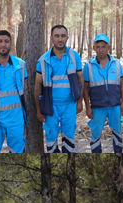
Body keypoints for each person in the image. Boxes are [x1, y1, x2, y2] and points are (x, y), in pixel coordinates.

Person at [35, 25, 84, 153]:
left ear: (67, 38)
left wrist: (80, 102)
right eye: (57, 36)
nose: (60, 39)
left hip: (70, 105)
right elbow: (37, 85)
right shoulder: (43, 60)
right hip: (50, 107)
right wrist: (39, 110)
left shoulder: (74, 56)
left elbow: (80, 79)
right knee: (51, 139)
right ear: (51, 38)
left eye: (63, 36)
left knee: (69, 139)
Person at [82, 34, 123, 153]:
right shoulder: (88, 66)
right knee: (95, 134)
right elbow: (85, 88)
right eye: (98, 47)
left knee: (117, 132)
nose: (101, 49)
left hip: (115, 106)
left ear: (108, 47)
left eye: (103, 46)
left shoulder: (116, 63)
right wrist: (88, 107)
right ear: (94, 48)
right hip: (97, 107)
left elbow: (122, 84)